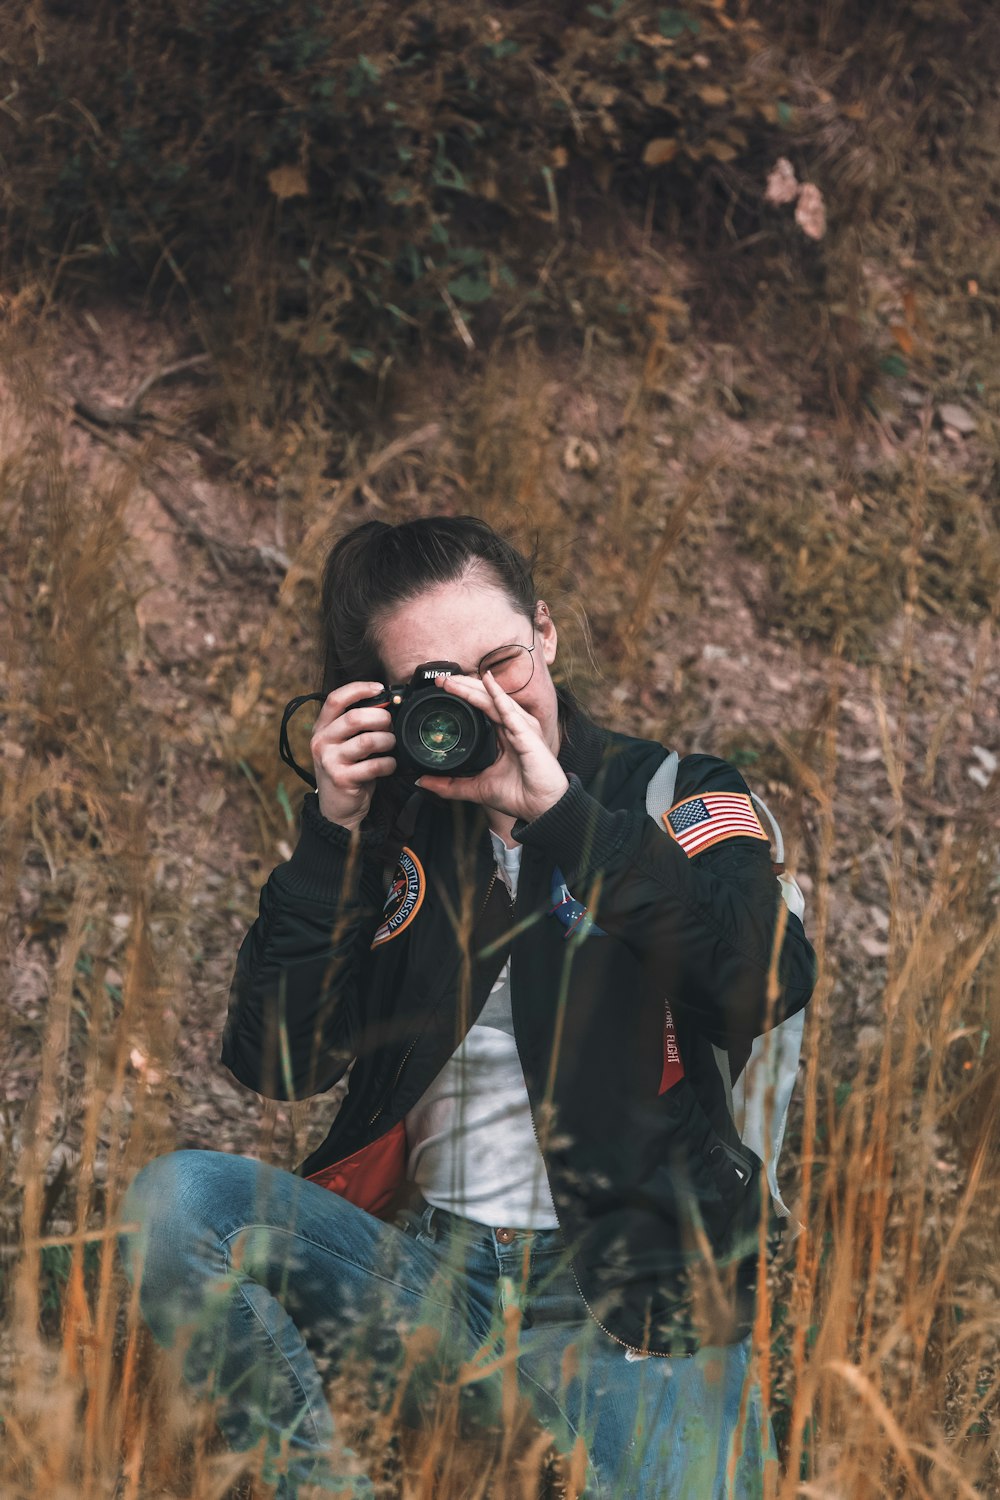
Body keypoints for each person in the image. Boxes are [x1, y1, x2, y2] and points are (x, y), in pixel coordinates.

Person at [118, 515, 815, 1499]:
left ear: (546, 635)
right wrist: (333, 834)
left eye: (504, 661)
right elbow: (278, 1063)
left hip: (632, 1298)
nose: (491, 700)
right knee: (181, 1206)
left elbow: (765, 977)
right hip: (432, 1277)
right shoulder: (403, 828)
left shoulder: (668, 792)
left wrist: (562, 815)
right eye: (447, 684)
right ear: (393, 703)